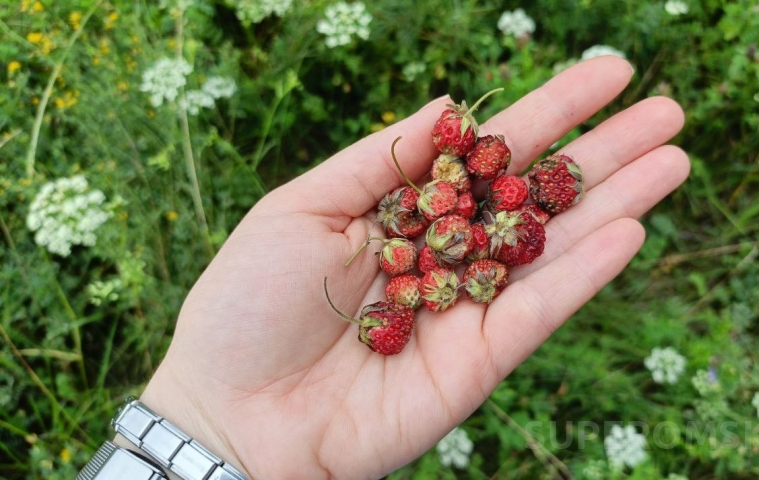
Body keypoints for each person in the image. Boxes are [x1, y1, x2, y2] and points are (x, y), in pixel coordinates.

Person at [110, 56, 688, 479]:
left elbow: (478, 222)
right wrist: (206, 422)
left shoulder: (461, 223)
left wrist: (201, 427)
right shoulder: (430, 240)